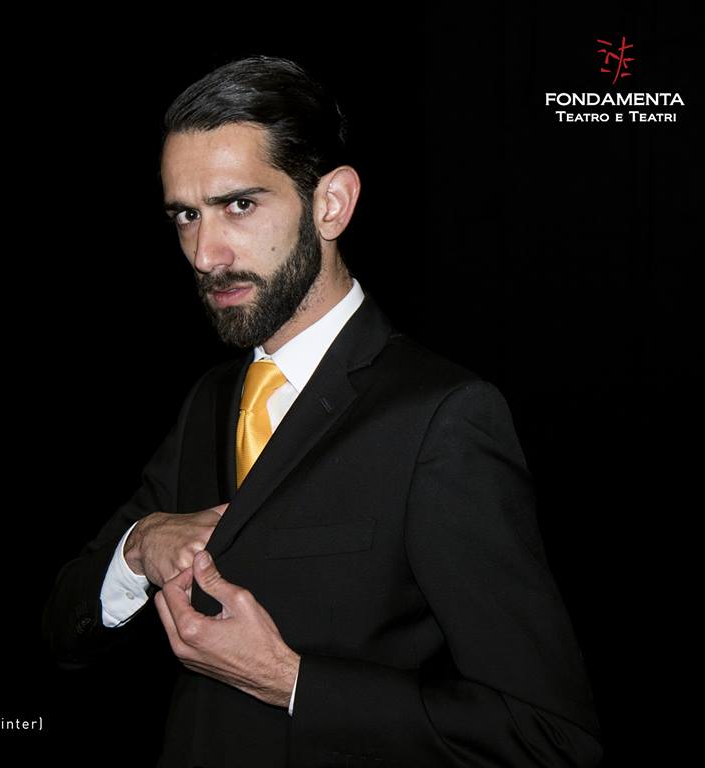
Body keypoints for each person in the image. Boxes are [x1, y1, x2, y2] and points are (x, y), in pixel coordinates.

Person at [43, 55, 603, 767]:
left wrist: (292, 682)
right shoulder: (210, 398)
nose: (205, 254)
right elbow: (64, 628)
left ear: (331, 204)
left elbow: (551, 738)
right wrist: (138, 546)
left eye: (239, 205)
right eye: (186, 215)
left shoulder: (443, 416)